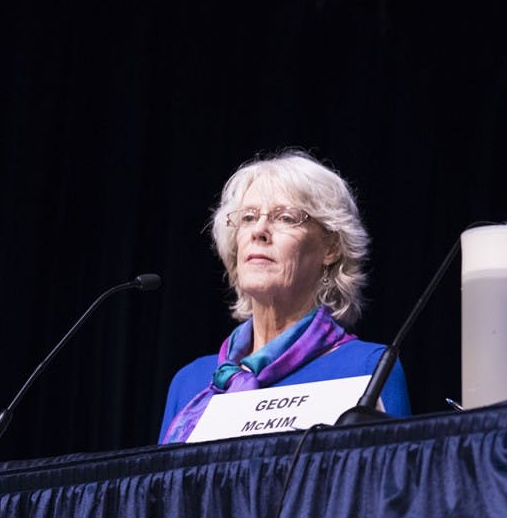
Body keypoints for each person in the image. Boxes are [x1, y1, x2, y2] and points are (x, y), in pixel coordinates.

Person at [159, 149, 410, 443]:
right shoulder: (190, 382)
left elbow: (391, 484)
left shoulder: (368, 368)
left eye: (286, 217)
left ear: (331, 248)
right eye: (248, 217)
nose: (260, 231)